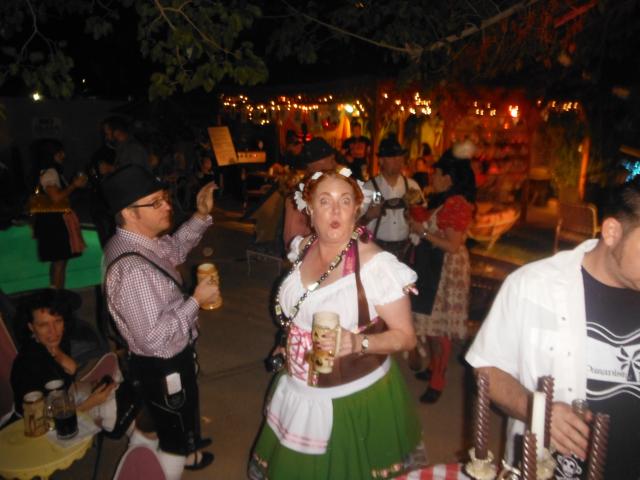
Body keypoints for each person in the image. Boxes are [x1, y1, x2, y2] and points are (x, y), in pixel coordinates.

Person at [249, 168, 426, 480]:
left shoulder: (376, 266)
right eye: (325, 201)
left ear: (356, 209)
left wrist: (359, 342)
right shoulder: (303, 248)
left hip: (352, 395)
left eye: (345, 201)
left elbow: (406, 337)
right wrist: (286, 341)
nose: (335, 211)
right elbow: (299, 311)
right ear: (309, 209)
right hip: (297, 387)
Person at [466, 179, 640, 479]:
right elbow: (487, 369)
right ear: (612, 232)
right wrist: (538, 411)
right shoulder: (534, 286)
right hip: (550, 468)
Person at [101, 165, 219, 478]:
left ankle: (178, 450)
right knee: (173, 434)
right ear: (129, 213)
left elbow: (174, 249)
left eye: (164, 197)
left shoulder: (134, 241)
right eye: (155, 202)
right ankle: (176, 459)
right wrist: (196, 300)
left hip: (158, 363)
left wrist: (200, 214)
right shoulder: (133, 271)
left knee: (164, 415)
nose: (167, 205)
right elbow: (155, 338)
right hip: (164, 363)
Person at [10, 289, 138, 437]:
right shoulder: (31, 364)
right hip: (42, 428)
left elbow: (69, 371)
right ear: (31, 327)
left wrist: (59, 354)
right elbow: (45, 423)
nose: (53, 331)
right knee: (123, 405)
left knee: (123, 392)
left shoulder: (52, 344)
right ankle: (137, 436)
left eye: (58, 321)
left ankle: (136, 432)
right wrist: (91, 402)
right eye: (43, 325)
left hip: (64, 400)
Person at [408, 145, 476, 404]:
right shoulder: (444, 200)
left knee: (439, 328)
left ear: (448, 178)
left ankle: (438, 378)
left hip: (447, 269)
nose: (432, 177)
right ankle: (434, 367)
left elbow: (453, 245)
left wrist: (423, 232)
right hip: (434, 264)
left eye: (436, 173)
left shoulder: (456, 204)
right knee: (430, 322)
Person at [32, 139, 88, 289]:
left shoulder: (49, 171)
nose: (63, 155)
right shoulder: (50, 172)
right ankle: (57, 297)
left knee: (59, 262)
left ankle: (56, 293)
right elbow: (56, 197)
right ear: (52, 155)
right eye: (60, 152)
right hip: (54, 224)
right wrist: (74, 185)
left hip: (52, 222)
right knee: (59, 263)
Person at [362, 135, 422, 259]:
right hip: (376, 252)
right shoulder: (369, 188)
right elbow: (354, 225)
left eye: (399, 156)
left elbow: (423, 218)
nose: (397, 160)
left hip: (405, 251)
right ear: (381, 160)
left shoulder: (412, 186)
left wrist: (415, 218)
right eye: (392, 157)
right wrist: (368, 216)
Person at [282, 137, 338, 249]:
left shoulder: (334, 191)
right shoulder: (298, 197)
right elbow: (291, 243)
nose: (335, 164)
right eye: (331, 160)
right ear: (315, 165)